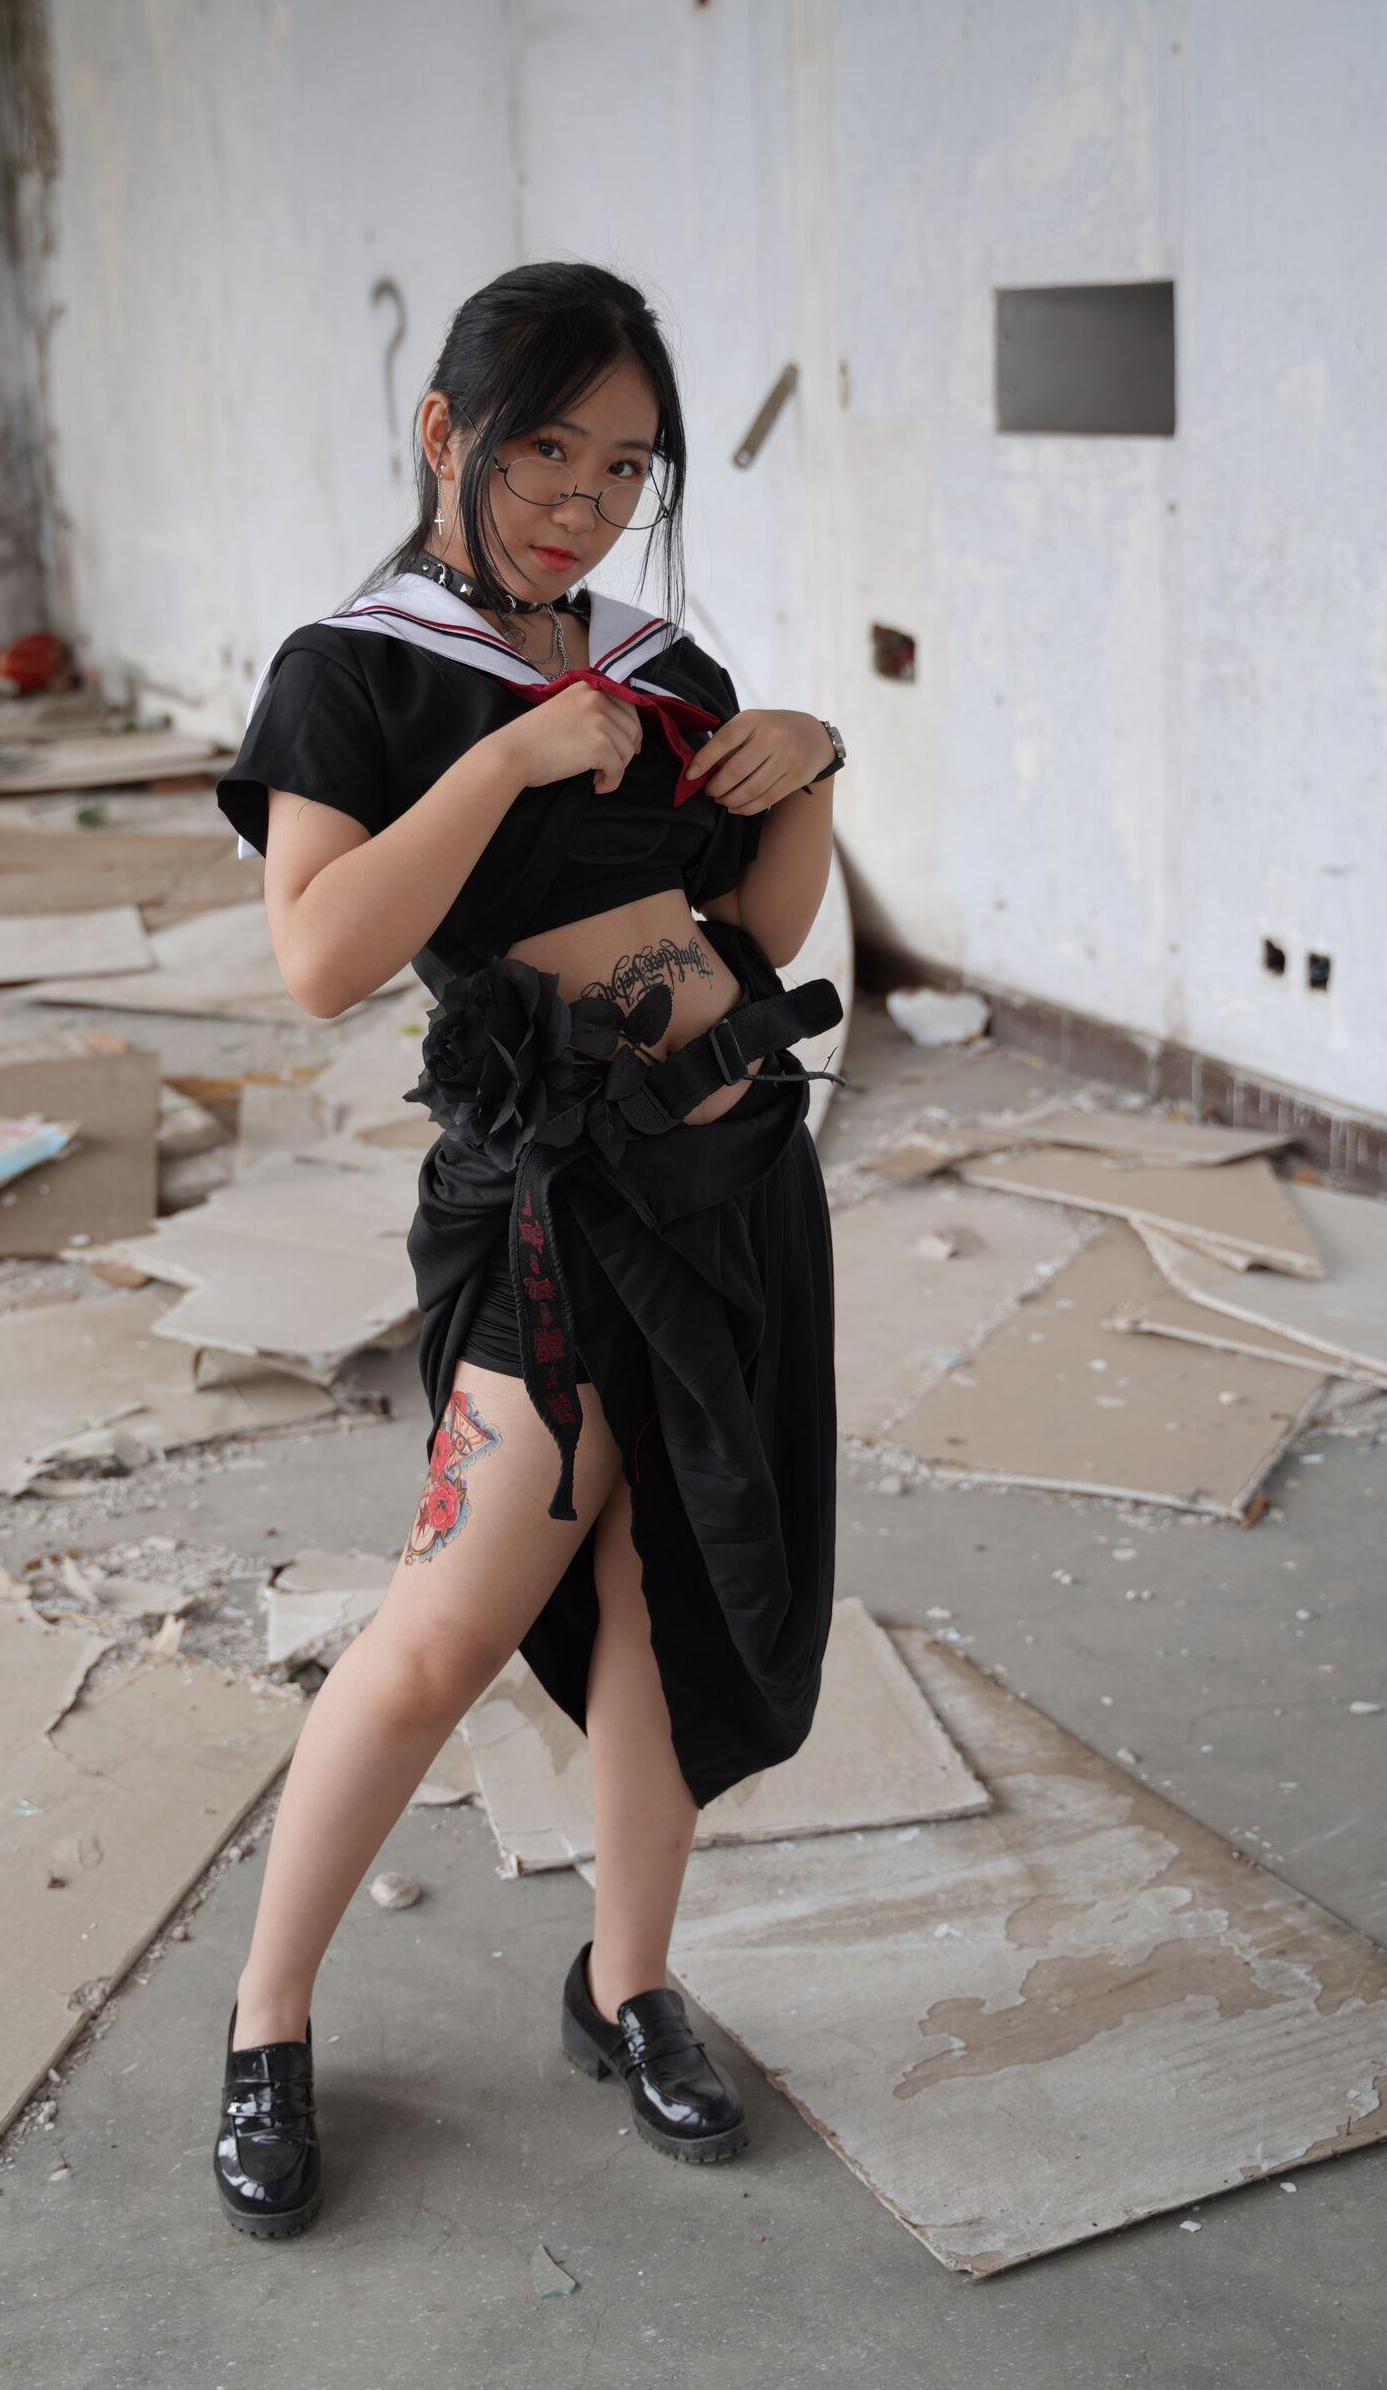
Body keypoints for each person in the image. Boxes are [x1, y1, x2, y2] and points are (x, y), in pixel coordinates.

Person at [210, 260, 847, 2238]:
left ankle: (629, 1984)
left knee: (670, 1608)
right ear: (446, 432)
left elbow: (761, 937)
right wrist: (499, 762)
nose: (584, 499)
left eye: (626, 466)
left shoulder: (661, 663)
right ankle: (266, 2020)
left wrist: (809, 766)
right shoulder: (358, 674)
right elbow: (320, 957)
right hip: (556, 1211)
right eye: (548, 450)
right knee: (440, 1637)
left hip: (739, 1189)